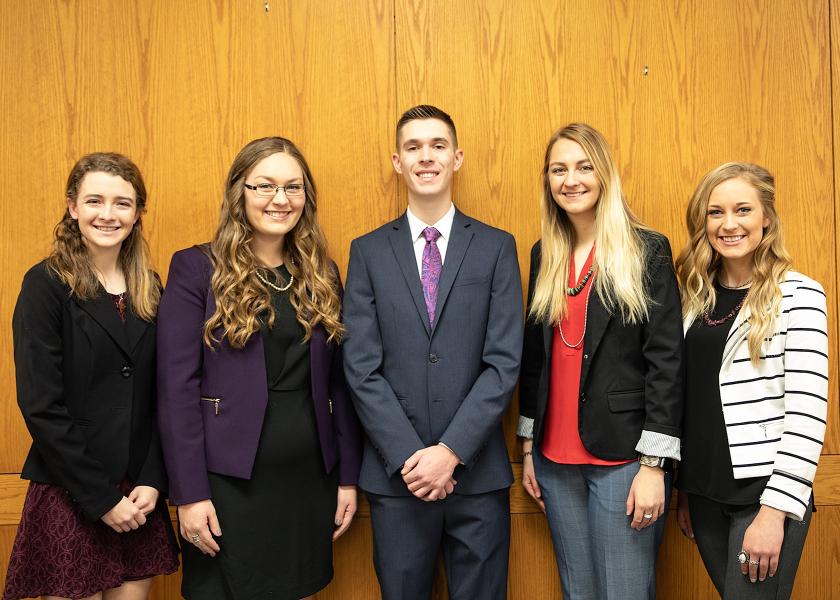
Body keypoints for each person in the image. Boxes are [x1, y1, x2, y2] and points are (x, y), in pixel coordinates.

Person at [156, 136, 362, 599]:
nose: (279, 199)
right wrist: (188, 494)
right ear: (238, 193)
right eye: (264, 186)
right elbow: (176, 390)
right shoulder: (196, 268)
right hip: (226, 483)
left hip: (309, 479)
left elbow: (340, 386)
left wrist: (348, 477)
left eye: (293, 187)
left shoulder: (321, 271)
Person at [342, 105, 523, 600]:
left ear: (457, 157)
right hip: (397, 480)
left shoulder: (495, 247)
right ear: (397, 161)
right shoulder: (367, 252)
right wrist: (410, 457)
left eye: (438, 145)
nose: (426, 157)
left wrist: (450, 452)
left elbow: (504, 363)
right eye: (413, 147)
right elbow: (361, 367)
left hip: (477, 474)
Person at [518, 123, 683, 600]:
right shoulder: (544, 253)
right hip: (554, 460)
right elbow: (536, 360)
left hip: (625, 460)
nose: (571, 179)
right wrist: (529, 446)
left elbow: (666, 362)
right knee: (579, 592)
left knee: (625, 593)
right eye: (559, 169)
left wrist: (653, 465)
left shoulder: (646, 249)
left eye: (584, 166)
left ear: (604, 173)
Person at [3, 153, 179, 600]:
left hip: (138, 491)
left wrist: (154, 479)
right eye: (95, 200)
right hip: (72, 488)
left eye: (123, 202)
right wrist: (102, 500)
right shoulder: (45, 285)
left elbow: (169, 393)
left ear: (138, 213)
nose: (108, 214)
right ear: (73, 207)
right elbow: (41, 405)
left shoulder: (152, 288)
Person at [674, 162, 827, 599]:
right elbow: (691, 401)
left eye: (743, 209)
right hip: (703, 494)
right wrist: (685, 487)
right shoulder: (691, 298)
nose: (729, 224)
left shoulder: (799, 295)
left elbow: (807, 415)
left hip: (761, 497)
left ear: (766, 218)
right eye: (715, 212)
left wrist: (774, 512)